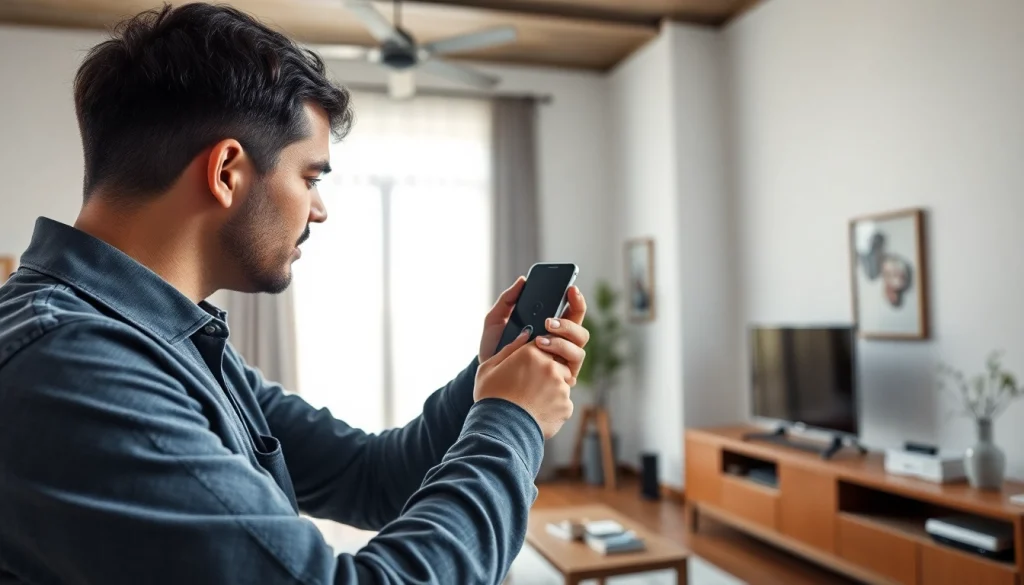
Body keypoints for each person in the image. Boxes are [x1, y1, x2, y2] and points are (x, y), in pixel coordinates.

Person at [0, 4, 589, 584]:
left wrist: (493, 376)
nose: (320, 209)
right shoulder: (75, 364)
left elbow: (372, 476)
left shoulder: (167, 338)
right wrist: (512, 420)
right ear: (227, 170)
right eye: (309, 177)